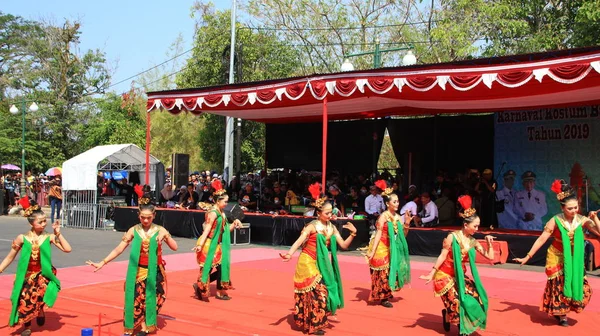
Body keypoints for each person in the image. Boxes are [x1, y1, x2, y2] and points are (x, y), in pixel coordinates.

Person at [86, 186, 178, 336]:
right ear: (138, 215)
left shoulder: (160, 230)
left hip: (155, 271)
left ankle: (147, 325)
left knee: (153, 297)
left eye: (149, 217)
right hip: (138, 270)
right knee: (136, 297)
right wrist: (102, 262)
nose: (146, 220)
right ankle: (141, 326)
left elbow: (175, 247)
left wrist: (166, 237)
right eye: (143, 217)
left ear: (154, 215)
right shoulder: (133, 230)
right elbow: (119, 249)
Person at [513, 180, 598, 326]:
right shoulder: (555, 220)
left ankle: (571, 305)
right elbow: (541, 239)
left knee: (582, 286)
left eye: (576, 207)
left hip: (574, 258)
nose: (574, 211)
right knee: (559, 284)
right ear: (562, 208)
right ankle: (562, 315)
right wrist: (528, 256)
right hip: (557, 255)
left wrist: (595, 219)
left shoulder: (581, 220)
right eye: (570, 208)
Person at [280, 182, 357, 335]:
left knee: (323, 292)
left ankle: (316, 322)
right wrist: (290, 253)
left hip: (322, 264)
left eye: (331, 212)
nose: (330, 215)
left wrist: (353, 234)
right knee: (319, 292)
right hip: (307, 262)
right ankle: (314, 325)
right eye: (327, 213)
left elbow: (343, 245)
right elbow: (300, 240)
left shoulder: (332, 227)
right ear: (319, 212)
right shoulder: (312, 226)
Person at [420, 195, 495, 336]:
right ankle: (462, 329)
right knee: (456, 302)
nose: (477, 229)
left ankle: (448, 315)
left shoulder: (473, 241)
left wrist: (489, 244)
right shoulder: (452, 237)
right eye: (475, 226)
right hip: (445, 275)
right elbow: (442, 255)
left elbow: (490, 257)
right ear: (465, 225)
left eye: (478, 226)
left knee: (476, 298)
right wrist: (432, 273)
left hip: (459, 276)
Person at [0, 197, 71, 336]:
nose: (44, 224)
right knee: (24, 299)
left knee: (38, 295)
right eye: (41, 221)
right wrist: (0, 269)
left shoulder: (48, 237)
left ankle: (40, 310)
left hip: (42, 274)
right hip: (26, 275)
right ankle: (27, 327)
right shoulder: (22, 238)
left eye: (45, 221)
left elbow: (67, 249)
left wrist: (58, 233)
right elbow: (10, 256)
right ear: (32, 223)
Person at [192, 179, 243, 301]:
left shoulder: (222, 213)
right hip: (209, 243)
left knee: (220, 267)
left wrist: (234, 224)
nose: (226, 203)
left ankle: (216, 290)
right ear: (218, 201)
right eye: (225, 201)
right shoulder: (213, 213)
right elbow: (207, 229)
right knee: (209, 269)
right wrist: (200, 244)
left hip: (217, 244)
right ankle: (202, 286)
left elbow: (224, 231)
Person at [366, 180, 411, 308]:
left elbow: (403, 235)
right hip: (381, 246)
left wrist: (407, 223)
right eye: (394, 201)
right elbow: (378, 234)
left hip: (392, 247)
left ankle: (386, 294)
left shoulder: (397, 217)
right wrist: (373, 251)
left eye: (397, 201)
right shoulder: (383, 217)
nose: (397, 203)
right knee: (382, 273)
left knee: (391, 271)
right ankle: (382, 296)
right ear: (387, 203)